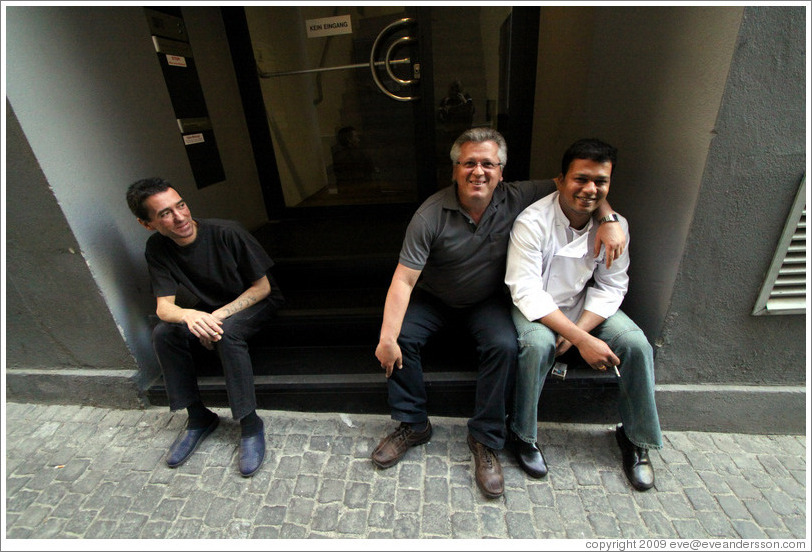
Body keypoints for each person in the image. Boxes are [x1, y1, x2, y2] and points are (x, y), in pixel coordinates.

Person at [371, 128, 625, 498]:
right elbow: (404, 280)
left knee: (505, 345)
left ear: (501, 171)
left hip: (486, 300)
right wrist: (387, 337)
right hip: (436, 298)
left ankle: (486, 439)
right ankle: (413, 424)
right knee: (402, 337)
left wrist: (609, 218)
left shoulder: (518, 195)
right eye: (469, 163)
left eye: (489, 163)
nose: (479, 171)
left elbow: (581, 187)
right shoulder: (429, 215)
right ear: (455, 169)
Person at [504, 138, 663, 491]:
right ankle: (522, 434)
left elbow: (612, 286)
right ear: (561, 180)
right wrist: (578, 339)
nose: (590, 189)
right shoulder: (532, 222)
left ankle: (636, 440)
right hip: (536, 309)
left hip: (584, 308)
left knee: (636, 344)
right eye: (581, 179)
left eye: (601, 182)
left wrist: (580, 331)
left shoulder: (614, 227)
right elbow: (526, 291)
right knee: (536, 346)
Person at [126, 177, 285, 477]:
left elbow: (262, 288)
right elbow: (164, 307)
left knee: (227, 332)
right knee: (164, 332)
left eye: (181, 205)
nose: (181, 217)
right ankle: (198, 417)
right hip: (210, 309)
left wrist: (215, 316)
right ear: (147, 224)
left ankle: (250, 424)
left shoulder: (227, 232)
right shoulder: (157, 247)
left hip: (255, 301)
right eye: (165, 214)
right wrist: (189, 316)